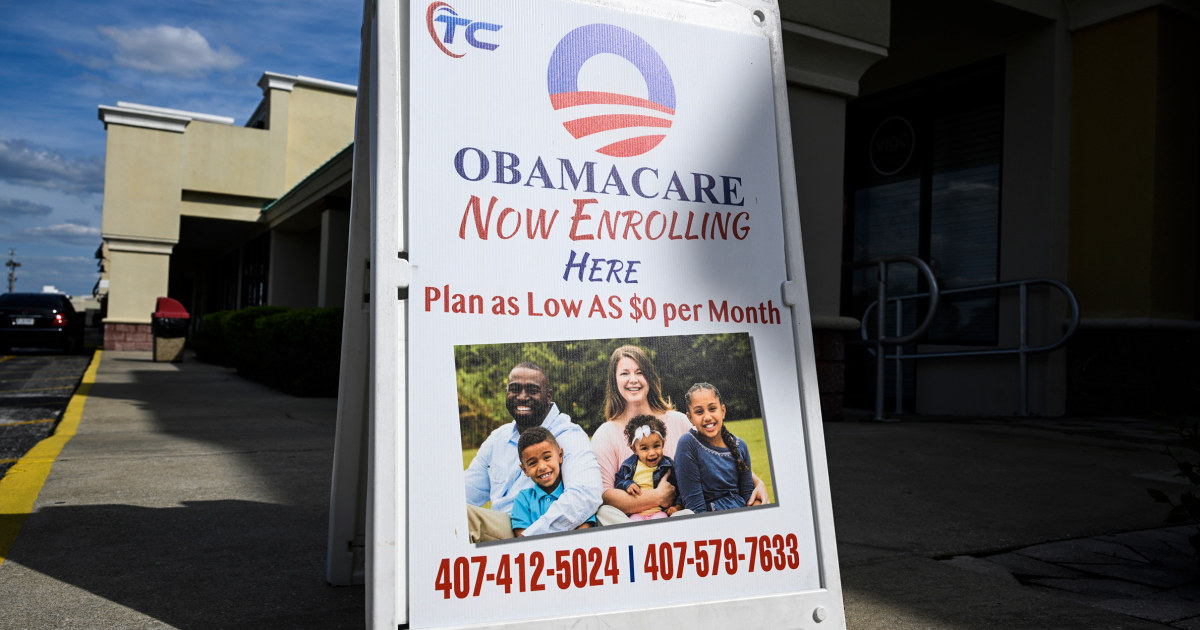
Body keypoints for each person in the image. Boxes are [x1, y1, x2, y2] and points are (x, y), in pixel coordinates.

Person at [590, 345, 766, 524]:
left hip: (678, 515)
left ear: (649, 377)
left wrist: (758, 483)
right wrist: (657, 497)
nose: (633, 379)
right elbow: (605, 495)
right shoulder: (605, 435)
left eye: (640, 372)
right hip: (630, 521)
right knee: (604, 512)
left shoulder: (679, 421)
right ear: (614, 381)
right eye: (624, 373)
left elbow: (720, 454)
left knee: (688, 514)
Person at [464, 362, 601, 541]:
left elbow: (585, 495)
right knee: (451, 510)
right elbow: (465, 492)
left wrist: (529, 540)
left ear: (548, 396)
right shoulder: (498, 438)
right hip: (504, 528)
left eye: (532, 390)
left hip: (534, 529)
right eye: (514, 389)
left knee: (466, 518)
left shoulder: (568, 435)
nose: (522, 397)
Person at [674, 382, 758, 513]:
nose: (707, 417)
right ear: (690, 418)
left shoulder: (740, 446)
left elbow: (748, 496)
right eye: (699, 412)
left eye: (712, 409)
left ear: (723, 411)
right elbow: (695, 508)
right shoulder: (688, 444)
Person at [511, 426, 598, 536]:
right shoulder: (523, 499)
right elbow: (522, 537)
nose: (542, 467)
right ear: (525, 470)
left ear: (560, 455)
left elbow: (585, 527)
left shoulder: (573, 494)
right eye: (532, 463)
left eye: (547, 457)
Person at [612, 415, 680, 521]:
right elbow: (618, 482)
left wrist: (677, 507)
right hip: (635, 513)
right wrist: (627, 484)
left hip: (659, 512)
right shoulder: (628, 466)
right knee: (634, 522)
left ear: (663, 443)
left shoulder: (668, 466)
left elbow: (679, 489)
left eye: (656, 446)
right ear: (634, 449)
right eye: (644, 448)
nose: (652, 453)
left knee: (661, 521)